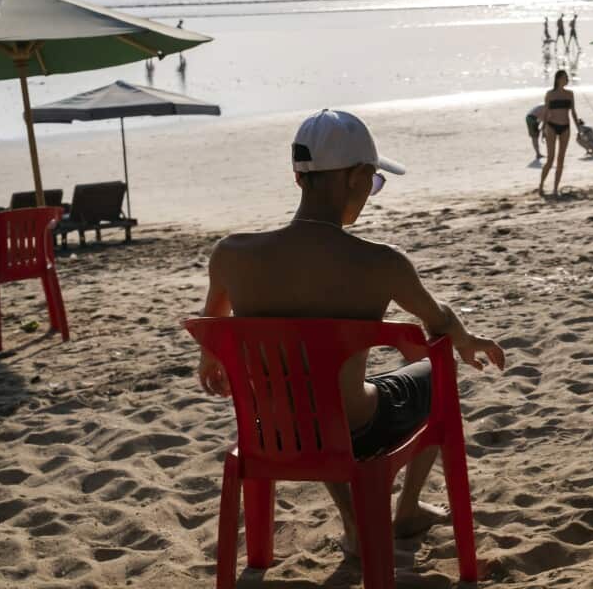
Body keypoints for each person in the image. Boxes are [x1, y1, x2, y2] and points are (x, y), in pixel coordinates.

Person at [198, 109, 506, 556]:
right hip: (354, 427)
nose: (371, 193)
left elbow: (212, 332)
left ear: (299, 177)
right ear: (359, 178)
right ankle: (408, 510)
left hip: (273, 427)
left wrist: (211, 360)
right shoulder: (382, 262)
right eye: (375, 183)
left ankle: (354, 523)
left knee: (304, 392)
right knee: (433, 373)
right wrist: (465, 338)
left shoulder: (230, 255)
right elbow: (437, 322)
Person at [539, 70, 578, 197]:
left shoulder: (570, 94)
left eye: (567, 77)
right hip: (551, 127)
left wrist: (579, 128)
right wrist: (543, 129)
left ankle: (555, 188)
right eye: (565, 77)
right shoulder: (550, 94)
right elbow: (546, 112)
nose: (567, 79)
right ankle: (541, 185)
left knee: (561, 159)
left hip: (565, 127)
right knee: (550, 159)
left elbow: (573, 112)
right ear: (558, 79)